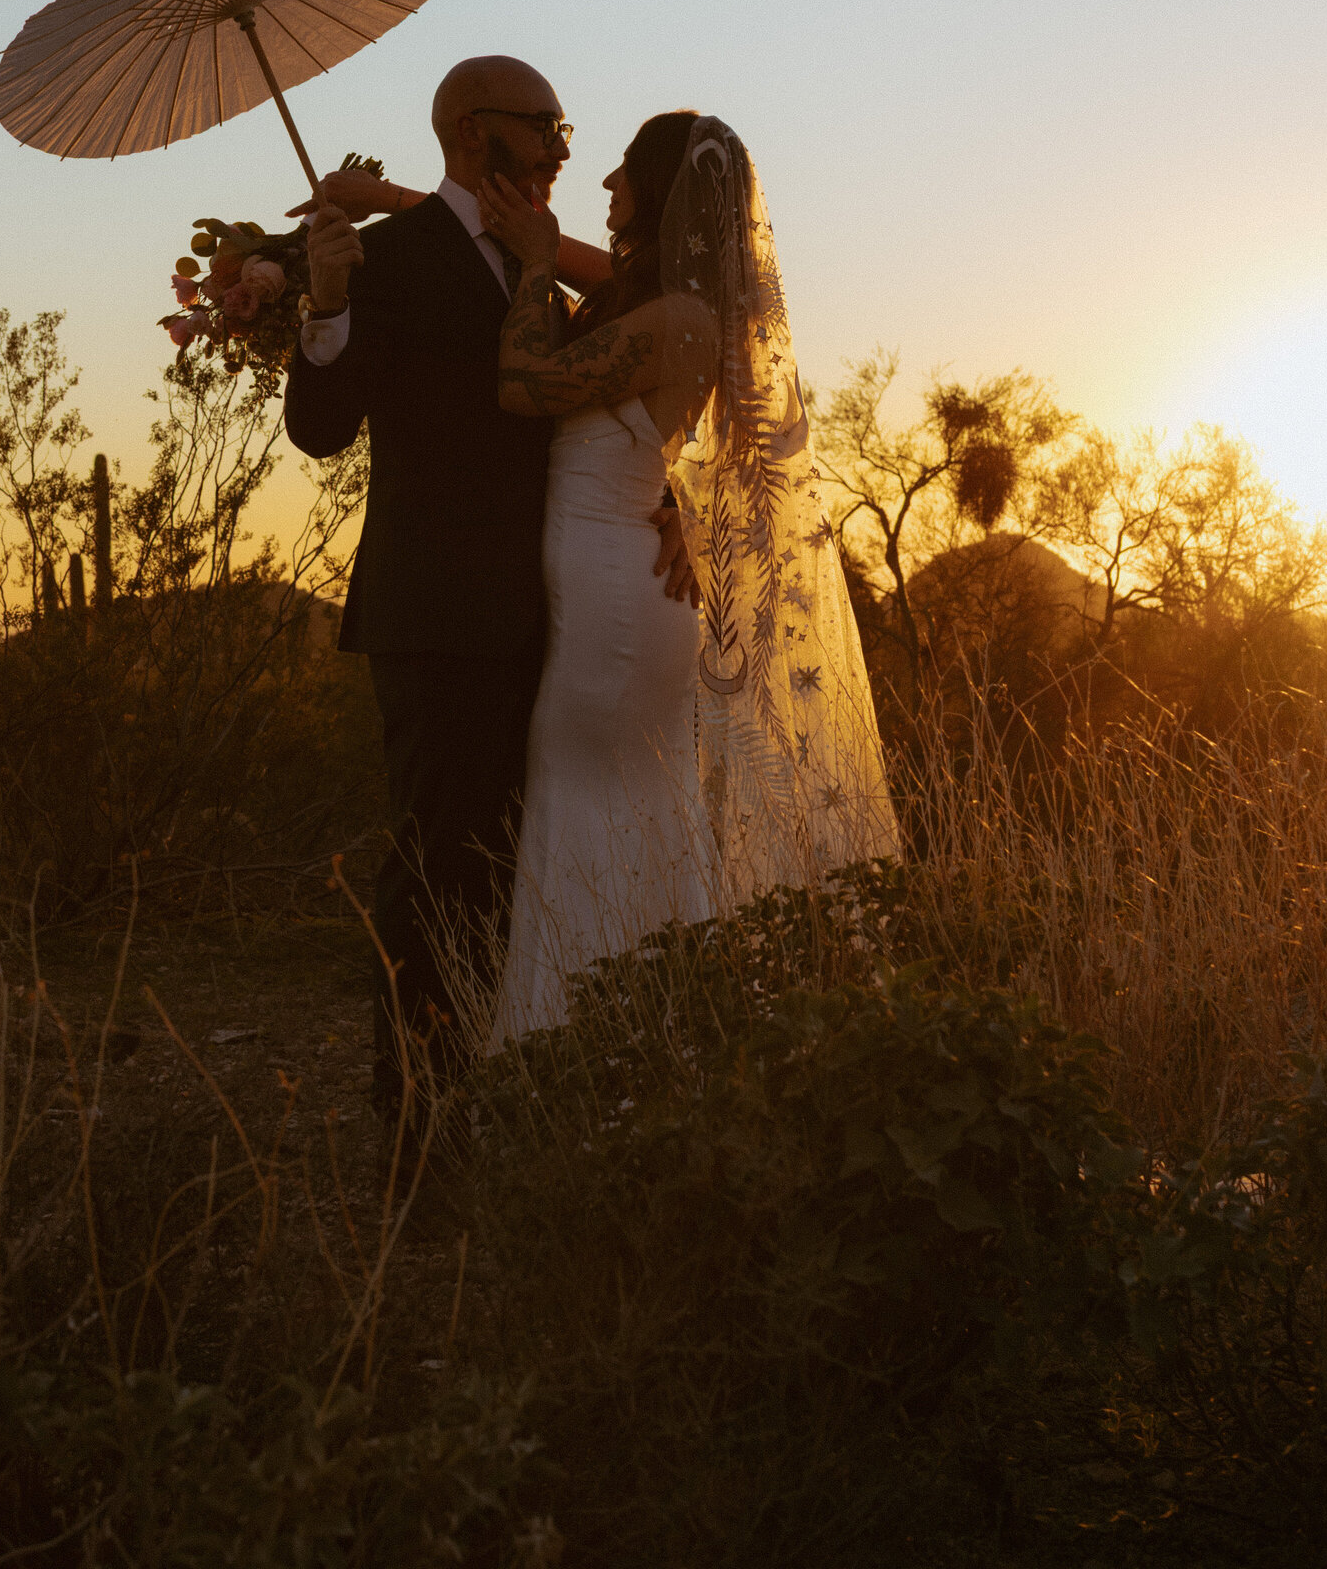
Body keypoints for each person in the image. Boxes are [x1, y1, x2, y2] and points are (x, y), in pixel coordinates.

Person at [283, 57, 696, 1130]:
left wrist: (675, 495)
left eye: (567, 130)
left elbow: (618, 397)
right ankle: (420, 1134)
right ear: (475, 134)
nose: (563, 148)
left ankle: (513, 1104)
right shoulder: (386, 262)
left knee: (525, 872)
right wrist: (323, 300)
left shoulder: (540, 271)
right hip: (440, 618)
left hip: (560, 622)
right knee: (437, 877)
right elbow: (322, 430)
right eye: (545, 127)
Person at [479, 112, 900, 1037]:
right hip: (610, 575)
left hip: (615, 605)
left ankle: (588, 1044)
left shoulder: (677, 319)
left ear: (663, 193)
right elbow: (598, 273)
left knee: (591, 803)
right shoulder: (660, 298)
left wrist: (539, 262)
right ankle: (647, 1043)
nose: (605, 187)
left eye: (624, 172)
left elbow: (523, 383)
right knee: (624, 809)